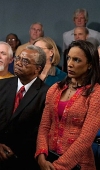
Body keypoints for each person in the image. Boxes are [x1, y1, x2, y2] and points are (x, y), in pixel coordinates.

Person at [35, 40, 100, 170]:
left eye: (77, 60)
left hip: (78, 165)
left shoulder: (96, 93)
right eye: (69, 58)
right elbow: (44, 126)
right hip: (48, 159)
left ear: (90, 65)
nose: (70, 64)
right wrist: (41, 156)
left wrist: (58, 166)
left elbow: (86, 139)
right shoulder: (55, 88)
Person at [0, 45, 49, 170]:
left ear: (37, 69)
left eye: (25, 61)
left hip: (24, 161)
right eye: (18, 58)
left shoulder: (46, 93)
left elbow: (41, 129)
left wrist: (15, 151)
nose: (18, 63)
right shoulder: (0, 86)